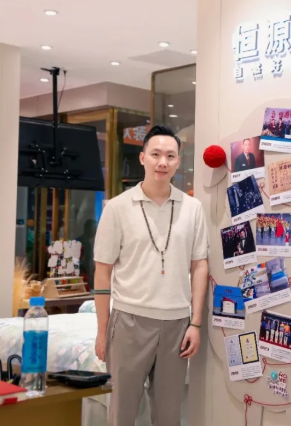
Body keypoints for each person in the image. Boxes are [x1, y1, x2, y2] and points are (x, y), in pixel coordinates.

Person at [93, 124, 209, 426]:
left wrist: (195, 322)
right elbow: (103, 272)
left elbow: (199, 266)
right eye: (156, 154)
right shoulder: (117, 208)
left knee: (169, 416)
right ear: (143, 157)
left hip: (177, 324)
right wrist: (102, 331)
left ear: (178, 161)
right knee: (122, 414)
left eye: (170, 156)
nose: (162, 162)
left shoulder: (192, 208)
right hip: (129, 321)